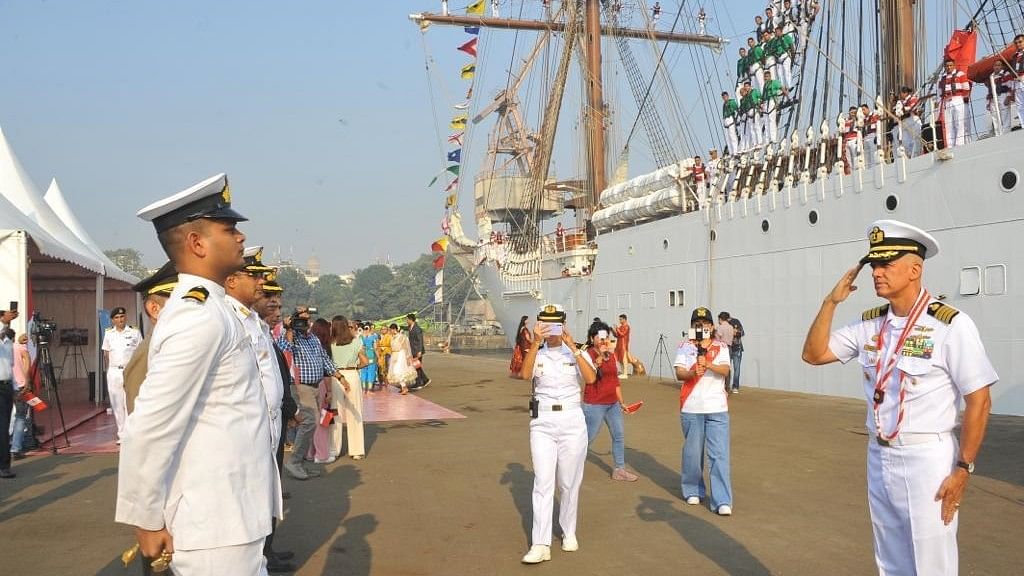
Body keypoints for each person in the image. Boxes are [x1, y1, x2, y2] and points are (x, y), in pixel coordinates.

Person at [801, 219, 997, 575]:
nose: (877, 272)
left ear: (915, 269)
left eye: (886, 264)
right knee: (890, 559)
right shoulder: (871, 325)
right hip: (879, 455)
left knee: (931, 561)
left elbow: (979, 400)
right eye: (874, 264)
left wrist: (963, 468)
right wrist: (830, 301)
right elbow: (814, 355)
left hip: (928, 459)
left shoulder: (950, 325)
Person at [117, 173, 279, 574]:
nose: (240, 238)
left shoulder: (216, 308)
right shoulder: (198, 315)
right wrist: (146, 517)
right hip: (214, 522)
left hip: (234, 513)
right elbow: (152, 424)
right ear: (196, 243)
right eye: (229, 229)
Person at [225, 246, 297, 574]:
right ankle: (259, 556)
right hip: (244, 433)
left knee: (265, 496)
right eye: (254, 277)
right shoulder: (228, 322)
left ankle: (264, 554)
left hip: (268, 425)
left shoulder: (255, 323)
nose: (262, 287)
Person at [519, 304, 597, 564]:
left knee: (568, 481)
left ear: (563, 324)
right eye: (545, 324)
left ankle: (568, 530)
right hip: (542, 422)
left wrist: (573, 346)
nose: (550, 330)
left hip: (572, 420)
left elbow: (591, 378)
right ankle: (540, 543)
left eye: (555, 324)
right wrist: (535, 343)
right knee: (542, 482)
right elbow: (525, 374)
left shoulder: (576, 352)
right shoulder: (536, 352)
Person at [250, 275, 299, 573]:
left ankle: (267, 550)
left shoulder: (265, 333)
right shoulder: (249, 331)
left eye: (279, 301)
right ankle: (261, 554)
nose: (276, 305)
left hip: (274, 423)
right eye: (268, 298)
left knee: (270, 492)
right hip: (259, 427)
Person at [673, 307, 733, 516]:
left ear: (711, 326)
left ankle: (722, 500)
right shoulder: (684, 346)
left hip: (717, 408)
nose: (702, 327)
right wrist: (691, 372)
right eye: (697, 324)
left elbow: (725, 370)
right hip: (691, 407)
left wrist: (708, 364)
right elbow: (679, 373)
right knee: (692, 453)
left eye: (705, 323)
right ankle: (692, 489)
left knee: (719, 455)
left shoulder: (721, 346)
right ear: (692, 327)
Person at [278, 307, 347, 480]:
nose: (305, 323)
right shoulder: (293, 338)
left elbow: (325, 359)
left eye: (308, 320)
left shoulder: (313, 339)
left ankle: (299, 462)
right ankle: (294, 461)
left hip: (316, 386)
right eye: (301, 319)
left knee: (312, 423)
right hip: (302, 387)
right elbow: (283, 347)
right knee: (309, 422)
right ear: (294, 321)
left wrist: (339, 376)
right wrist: (288, 329)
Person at [583, 323, 638, 482]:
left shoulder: (612, 355)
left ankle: (619, 470)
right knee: (587, 437)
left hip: (612, 403)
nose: (603, 340)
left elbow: (615, 382)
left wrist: (622, 403)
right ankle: (568, 465)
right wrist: (599, 359)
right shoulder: (588, 355)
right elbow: (589, 376)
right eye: (600, 337)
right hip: (594, 404)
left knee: (619, 435)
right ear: (592, 338)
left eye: (606, 337)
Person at [123, 261, 177, 415]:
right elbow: (140, 417)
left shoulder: (176, 345)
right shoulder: (148, 352)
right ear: (154, 309)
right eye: (181, 303)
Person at [102, 305, 141, 443]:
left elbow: (139, 353)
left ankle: (132, 432)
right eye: (117, 317)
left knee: (130, 402)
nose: (120, 319)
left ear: (126, 317)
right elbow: (106, 353)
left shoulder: (134, 332)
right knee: (117, 403)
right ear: (112, 320)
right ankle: (122, 433)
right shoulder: (108, 334)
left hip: (130, 371)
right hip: (114, 371)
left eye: (122, 316)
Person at [330, 316, 367, 460]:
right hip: (352, 374)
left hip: (336, 376)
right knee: (355, 412)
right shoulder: (356, 341)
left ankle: (334, 449)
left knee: (335, 413)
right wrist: (355, 367)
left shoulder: (331, 343)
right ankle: (356, 450)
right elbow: (365, 361)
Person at [0, 312, 19, 479]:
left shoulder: (8, 344)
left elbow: (9, 368)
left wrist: (14, 389)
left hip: (6, 387)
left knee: (4, 427)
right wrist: (4, 325)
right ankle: (3, 466)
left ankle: (4, 465)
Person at [938, 57, 971, 149]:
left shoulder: (960, 74)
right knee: (948, 125)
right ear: (945, 67)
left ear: (954, 65)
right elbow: (940, 92)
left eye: (950, 65)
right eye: (947, 66)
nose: (948, 67)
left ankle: (959, 144)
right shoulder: (943, 78)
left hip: (957, 99)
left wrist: (962, 99)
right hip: (947, 101)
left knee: (959, 122)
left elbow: (966, 88)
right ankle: (950, 145)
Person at [9, 332, 32, 460]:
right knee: (21, 416)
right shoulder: (19, 347)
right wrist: (27, 381)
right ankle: (16, 448)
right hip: (20, 385)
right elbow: (27, 364)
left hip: (5, 386)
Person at [985, 59, 1014, 136]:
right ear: (993, 67)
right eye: (995, 65)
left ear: (1002, 66)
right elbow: (989, 90)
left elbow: (1010, 86)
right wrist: (988, 102)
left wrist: (1008, 97)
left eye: (999, 65)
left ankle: (1006, 134)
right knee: (994, 116)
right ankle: (998, 135)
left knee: (1005, 116)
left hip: (1003, 95)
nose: (997, 67)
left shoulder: (1006, 74)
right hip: (993, 99)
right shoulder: (991, 76)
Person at [387, 324, 417, 394]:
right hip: (394, 354)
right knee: (396, 371)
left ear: (395, 329)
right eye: (390, 329)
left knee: (398, 371)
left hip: (401, 355)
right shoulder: (392, 337)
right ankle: (403, 387)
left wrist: (407, 357)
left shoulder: (401, 337)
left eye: (392, 329)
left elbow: (405, 347)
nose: (391, 331)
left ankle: (404, 387)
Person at [761, 69, 788, 144]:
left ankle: (773, 138)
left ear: (770, 76)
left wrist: (786, 93)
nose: (766, 78)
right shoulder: (765, 85)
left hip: (772, 101)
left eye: (767, 76)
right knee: (766, 121)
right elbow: (763, 96)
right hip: (766, 102)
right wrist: (761, 104)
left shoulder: (774, 82)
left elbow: (781, 88)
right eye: (765, 77)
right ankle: (767, 139)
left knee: (771, 120)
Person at [894, 86, 922, 157]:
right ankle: (909, 155)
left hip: (913, 119)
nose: (900, 95)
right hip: (905, 121)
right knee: (905, 141)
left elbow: (913, 107)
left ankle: (916, 155)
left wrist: (904, 109)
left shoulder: (912, 98)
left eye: (901, 93)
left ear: (905, 93)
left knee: (915, 139)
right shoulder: (902, 102)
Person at [406, 313, 430, 390]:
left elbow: (420, 341)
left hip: (417, 351)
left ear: (411, 319)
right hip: (413, 350)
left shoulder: (417, 329)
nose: (406, 321)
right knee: (417, 366)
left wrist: (419, 351)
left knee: (417, 366)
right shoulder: (411, 327)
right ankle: (425, 380)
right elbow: (406, 328)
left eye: (407, 319)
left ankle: (419, 383)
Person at [725, 313, 744, 393]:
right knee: (726, 367)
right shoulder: (723, 325)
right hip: (727, 348)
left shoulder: (736, 321)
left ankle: (735, 386)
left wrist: (735, 332)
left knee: (737, 368)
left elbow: (742, 333)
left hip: (737, 348)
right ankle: (726, 386)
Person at [359, 322, 379, 392]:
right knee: (371, 371)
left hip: (363, 355)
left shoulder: (361, 337)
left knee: (363, 371)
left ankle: (364, 389)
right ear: (370, 328)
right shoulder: (374, 337)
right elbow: (376, 348)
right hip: (371, 355)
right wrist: (378, 357)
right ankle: (370, 389)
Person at [1011, 34, 1024, 130]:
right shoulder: (1014, 57)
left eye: (1020, 42)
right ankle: (1023, 124)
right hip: (1017, 82)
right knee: (1019, 105)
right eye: (1016, 43)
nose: (1018, 44)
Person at [721, 91, 740, 155]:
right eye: (723, 97)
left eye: (725, 96)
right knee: (728, 138)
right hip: (726, 121)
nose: (725, 98)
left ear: (728, 96)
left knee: (733, 136)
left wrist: (736, 119)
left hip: (731, 119)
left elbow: (736, 110)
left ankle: (735, 151)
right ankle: (731, 152)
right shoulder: (724, 104)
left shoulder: (731, 102)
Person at [613, 314, 631, 379]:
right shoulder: (620, 327)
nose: (619, 321)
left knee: (624, 358)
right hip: (619, 343)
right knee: (620, 358)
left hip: (624, 343)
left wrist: (617, 329)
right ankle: (623, 372)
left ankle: (625, 373)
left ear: (624, 319)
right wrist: (613, 330)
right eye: (619, 319)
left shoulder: (627, 326)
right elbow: (617, 335)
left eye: (620, 319)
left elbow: (622, 334)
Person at [377, 325, 391, 389]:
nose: (383, 330)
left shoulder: (389, 336)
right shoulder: (378, 336)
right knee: (379, 369)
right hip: (379, 354)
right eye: (382, 329)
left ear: (387, 330)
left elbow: (391, 345)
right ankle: (380, 382)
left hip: (386, 353)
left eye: (385, 329)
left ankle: (386, 383)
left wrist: (384, 348)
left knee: (386, 368)